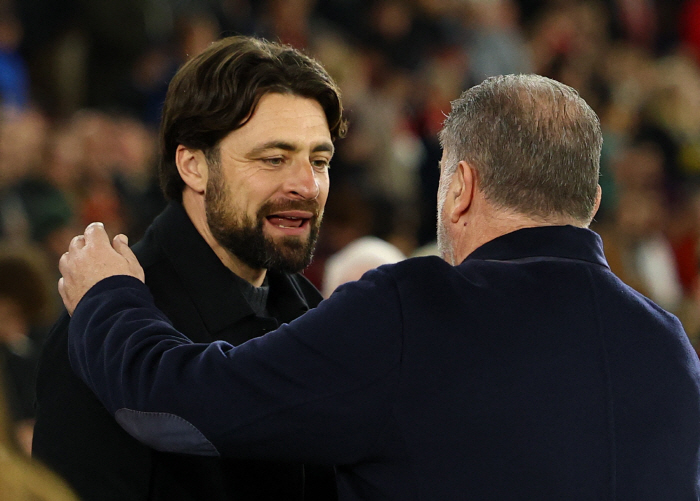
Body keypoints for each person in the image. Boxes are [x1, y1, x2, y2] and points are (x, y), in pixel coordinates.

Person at [60, 75, 700, 500]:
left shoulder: (416, 310)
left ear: (460, 187)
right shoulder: (670, 349)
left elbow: (177, 406)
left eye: (318, 161)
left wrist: (106, 297)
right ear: (589, 201)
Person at [32, 35, 345, 501]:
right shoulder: (96, 326)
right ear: (194, 166)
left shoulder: (316, 317)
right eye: (274, 158)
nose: (307, 185)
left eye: (319, 161)